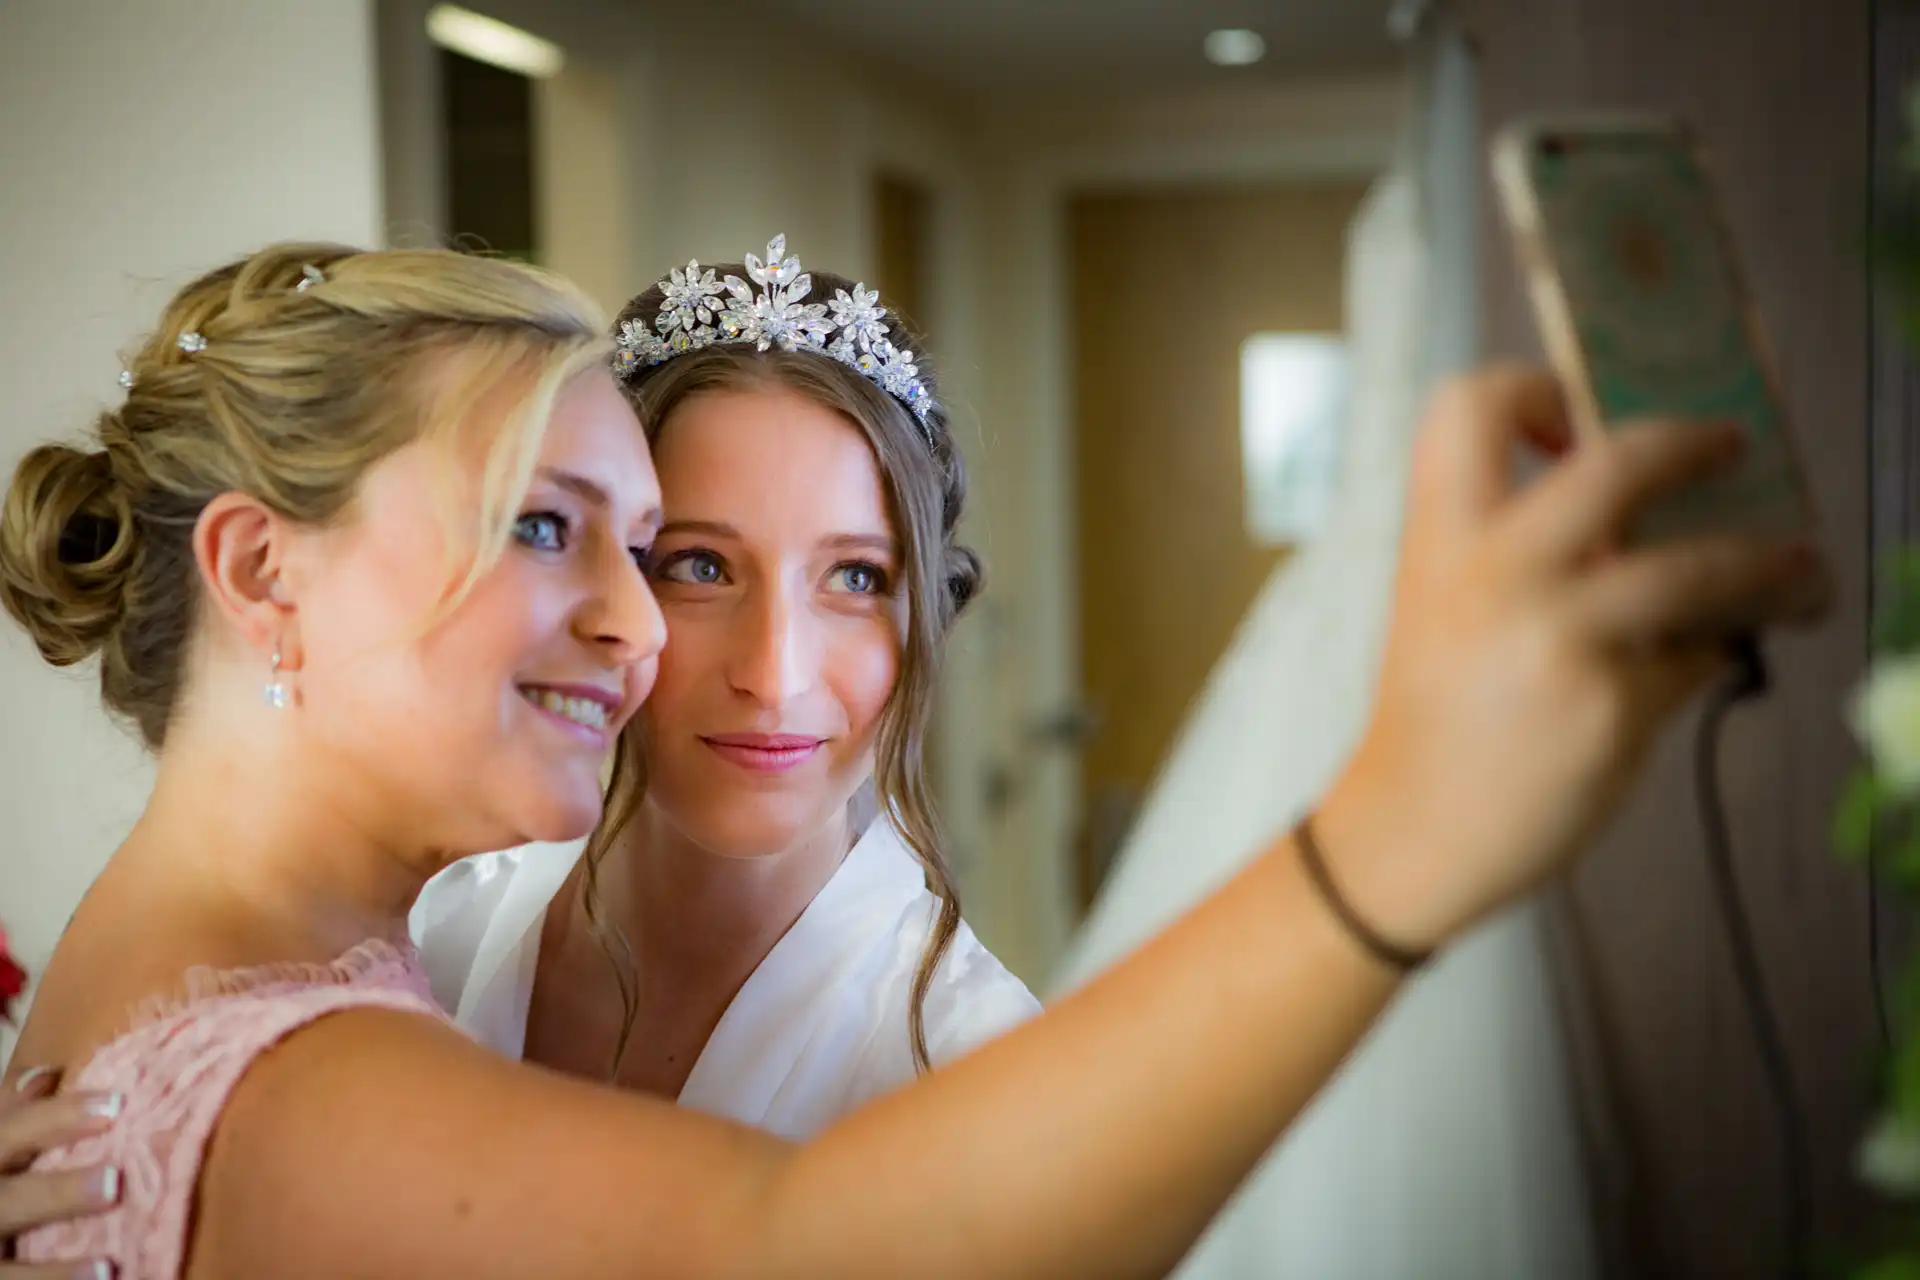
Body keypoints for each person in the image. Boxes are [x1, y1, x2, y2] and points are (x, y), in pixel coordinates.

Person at [0, 236, 1825, 1279]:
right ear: (260, 571)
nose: (652, 632)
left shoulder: (251, 980)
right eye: (578, 536)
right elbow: (787, 1244)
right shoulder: (346, 1022)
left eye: (856, 578)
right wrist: (1403, 836)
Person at [408, 247, 1038, 1135]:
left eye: (856, 578)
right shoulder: (434, 934)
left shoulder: (972, 1068)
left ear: (927, 612)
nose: (774, 676)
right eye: (699, 567)